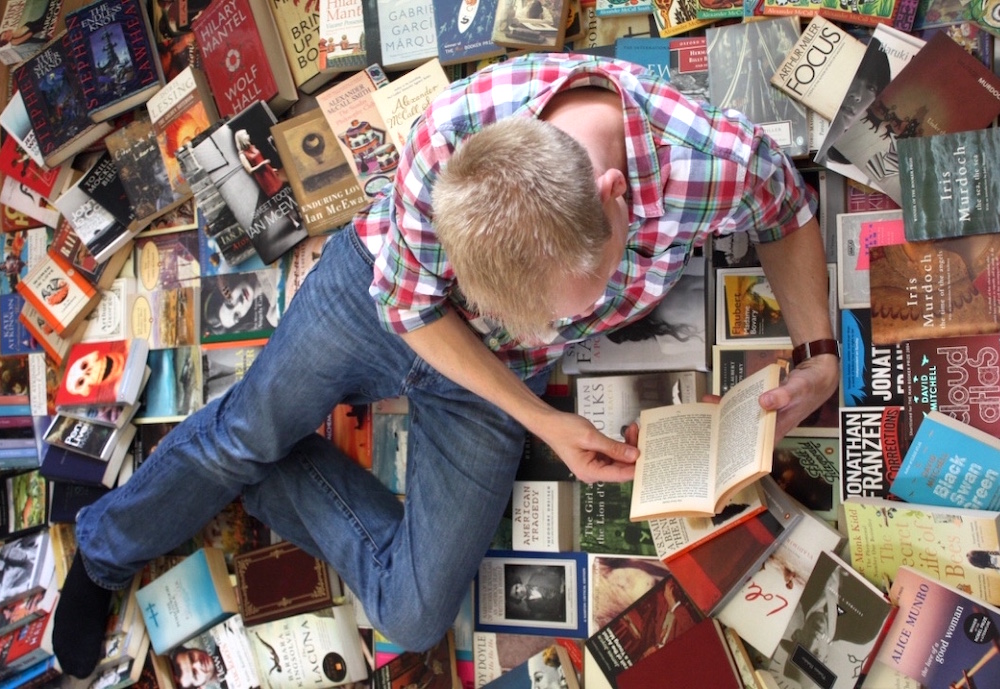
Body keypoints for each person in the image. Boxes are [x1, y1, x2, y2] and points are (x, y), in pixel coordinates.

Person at [52, 52, 839, 676]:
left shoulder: (709, 159)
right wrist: (543, 422)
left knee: (413, 613)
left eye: (577, 301)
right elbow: (411, 307)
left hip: (500, 379)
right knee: (239, 435)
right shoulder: (450, 137)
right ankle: (107, 545)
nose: (574, 319)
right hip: (381, 302)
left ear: (613, 198)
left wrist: (819, 352)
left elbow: (787, 211)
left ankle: (253, 465)